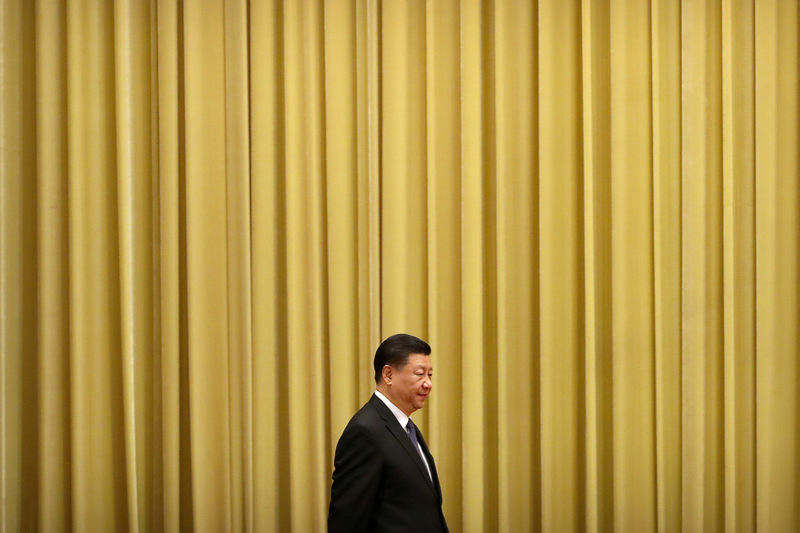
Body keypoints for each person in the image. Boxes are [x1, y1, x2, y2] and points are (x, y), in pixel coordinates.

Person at [328, 333, 448, 532]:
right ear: (388, 375)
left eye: (430, 375)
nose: (428, 383)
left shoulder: (405, 427)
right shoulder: (365, 431)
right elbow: (347, 521)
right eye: (420, 374)